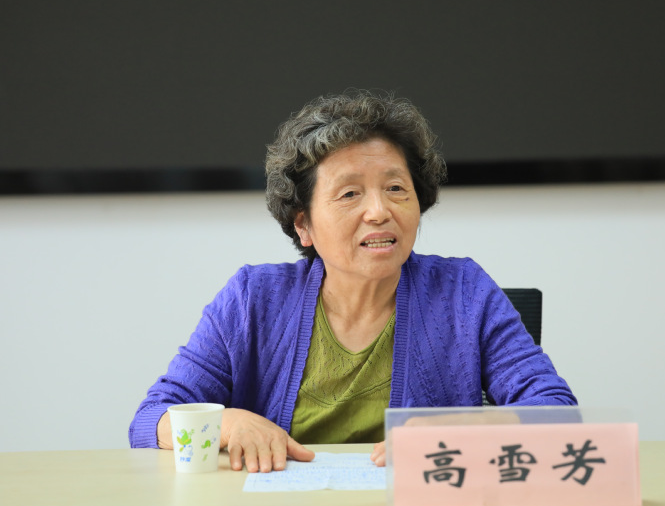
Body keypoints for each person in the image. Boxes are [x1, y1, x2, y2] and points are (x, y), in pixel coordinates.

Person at [129, 90, 576, 473]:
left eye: (396, 188)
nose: (379, 211)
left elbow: (556, 411)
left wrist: (463, 429)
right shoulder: (253, 299)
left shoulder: (463, 291)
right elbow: (151, 419)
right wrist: (228, 424)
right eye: (349, 194)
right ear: (303, 225)